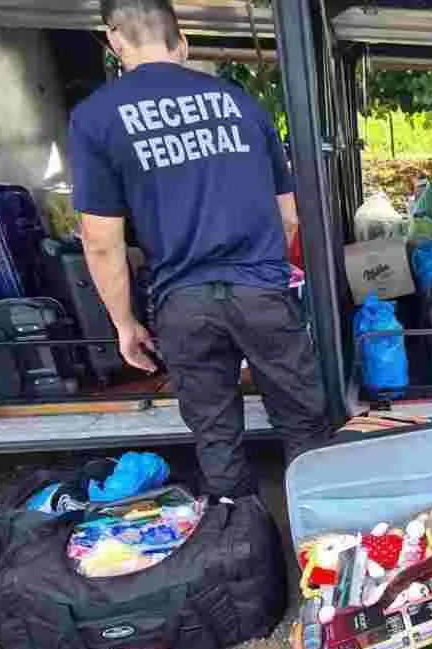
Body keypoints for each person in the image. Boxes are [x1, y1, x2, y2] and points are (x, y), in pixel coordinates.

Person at [69, 0, 333, 498]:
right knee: (303, 422)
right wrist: (264, 272)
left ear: (114, 41)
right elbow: (289, 215)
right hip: (261, 292)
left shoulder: (95, 117)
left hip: (182, 302)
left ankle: (239, 533)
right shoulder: (241, 103)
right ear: (183, 43)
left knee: (216, 434)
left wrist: (125, 324)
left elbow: (101, 242)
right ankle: (320, 530)